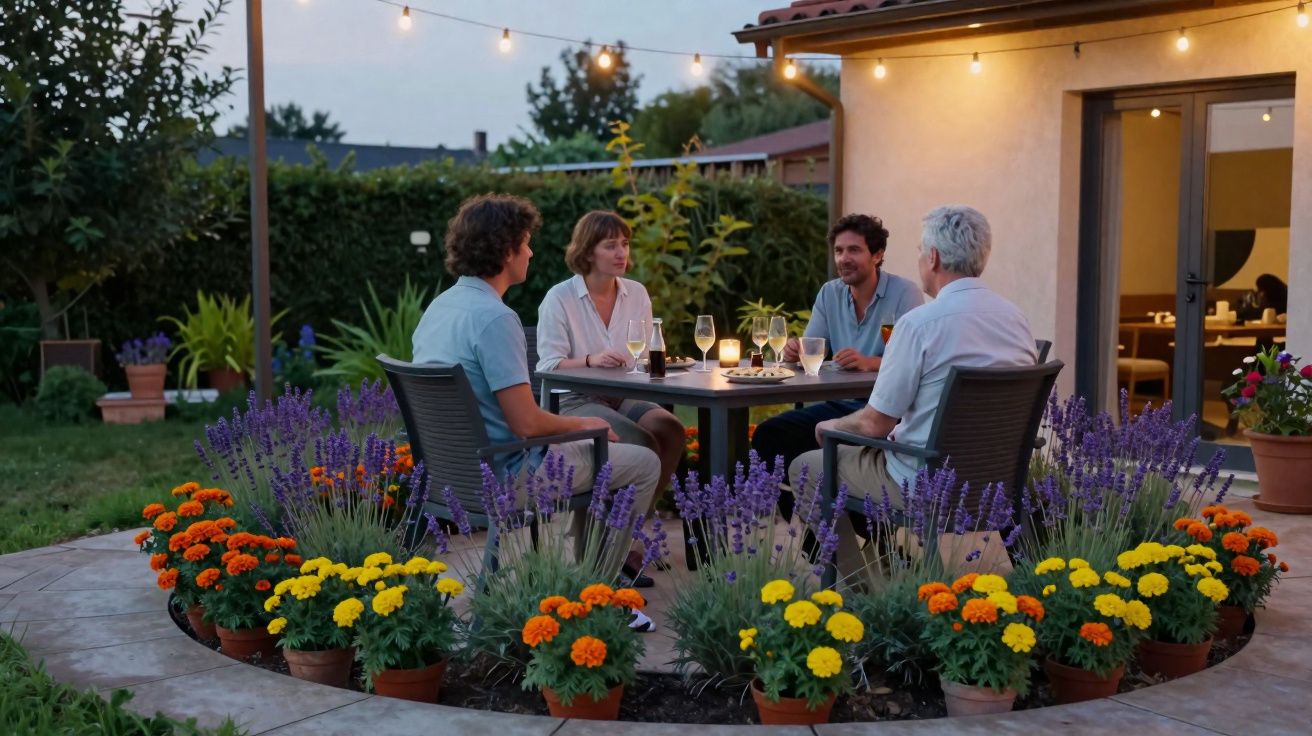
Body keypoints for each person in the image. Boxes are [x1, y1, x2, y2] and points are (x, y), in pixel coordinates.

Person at [412, 194, 660, 594]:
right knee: (644, 463)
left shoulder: (438, 310)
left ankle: (591, 574)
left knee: (609, 449)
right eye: (525, 243)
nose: (530, 252)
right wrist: (584, 424)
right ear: (505, 250)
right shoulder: (495, 318)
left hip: (454, 477)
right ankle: (598, 591)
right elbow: (527, 423)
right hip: (510, 477)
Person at [790, 205, 1036, 576]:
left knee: (806, 468)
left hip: (923, 482)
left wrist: (830, 427)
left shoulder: (919, 324)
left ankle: (867, 592)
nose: (920, 259)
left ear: (933, 257)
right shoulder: (1016, 320)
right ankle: (885, 568)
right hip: (997, 481)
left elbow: (874, 424)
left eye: (921, 251)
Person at [536, 210, 685, 575]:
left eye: (625, 244)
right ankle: (608, 552)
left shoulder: (636, 293)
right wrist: (590, 359)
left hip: (622, 391)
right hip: (573, 397)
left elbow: (644, 355)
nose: (621, 253)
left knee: (670, 429)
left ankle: (628, 534)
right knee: (639, 441)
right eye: (610, 245)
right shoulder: (560, 298)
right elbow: (547, 365)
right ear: (588, 251)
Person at [751, 213, 923, 518]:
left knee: (796, 440)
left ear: (877, 255)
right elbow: (812, 349)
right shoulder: (829, 293)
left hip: (883, 412)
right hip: (839, 405)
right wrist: (795, 351)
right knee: (770, 434)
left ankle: (851, 525)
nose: (844, 258)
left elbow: (914, 361)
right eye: (839, 251)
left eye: (854, 250)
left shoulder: (904, 293)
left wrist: (871, 362)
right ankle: (808, 523)